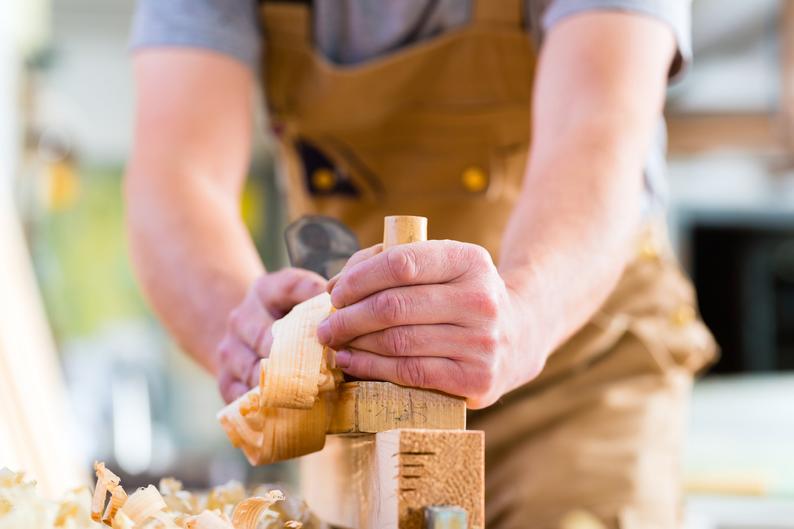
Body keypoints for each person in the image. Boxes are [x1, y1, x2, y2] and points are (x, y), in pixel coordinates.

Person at [126, 1, 717, 527]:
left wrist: (524, 315)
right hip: (362, 386)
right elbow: (177, 176)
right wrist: (252, 338)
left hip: (578, 365)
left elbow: (598, 126)